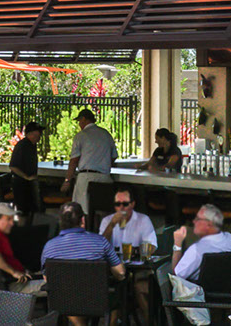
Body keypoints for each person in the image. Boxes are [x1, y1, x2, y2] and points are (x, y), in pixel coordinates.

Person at [41, 202, 125, 326]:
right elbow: (121, 274)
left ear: (60, 221)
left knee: (65, 294)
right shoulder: (100, 242)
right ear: (82, 220)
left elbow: (48, 279)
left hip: (65, 302)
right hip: (97, 300)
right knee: (118, 295)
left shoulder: (49, 247)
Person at [99, 188, 154, 319]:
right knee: (113, 288)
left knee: (141, 287)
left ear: (132, 204)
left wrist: (137, 251)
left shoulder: (143, 220)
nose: (121, 208)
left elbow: (151, 246)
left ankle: (149, 321)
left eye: (125, 204)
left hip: (137, 267)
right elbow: (101, 246)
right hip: (113, 269)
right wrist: (112, 225)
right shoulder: (107, 220)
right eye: (117, 204)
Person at [172, 204, 231, 282]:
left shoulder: (196, 249)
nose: (194, 221)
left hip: (199, 289)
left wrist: (177, 244)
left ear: (209, 224)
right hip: (230, 288)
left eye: (198, 219)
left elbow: (176, 276)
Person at [61, 109, 117, 215]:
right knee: (102, 212)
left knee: (81, 212)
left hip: (86, 178)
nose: (79, 124)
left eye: (79, 121)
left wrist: (67, 180)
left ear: (84, 119)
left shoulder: (80, 136)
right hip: (104, 178)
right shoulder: (106, 134)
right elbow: (113, 157)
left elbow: (74, 161)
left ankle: (85, 225)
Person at [0, 203, 44, 295]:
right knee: (60, 284)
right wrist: (14, 272)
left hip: (21, 280)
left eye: (12, 219)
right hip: (16, 285)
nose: (12, 223)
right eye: (8, 219)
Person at [8, 122, 44, 218]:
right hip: (21, 184)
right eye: (37, 133)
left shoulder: (32, 145)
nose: (39, 136)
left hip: (29, 184)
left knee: (31, 212)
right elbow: (13, 166)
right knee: (23, 213)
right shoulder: (22, 146)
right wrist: (26, 177)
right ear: (30, 133)